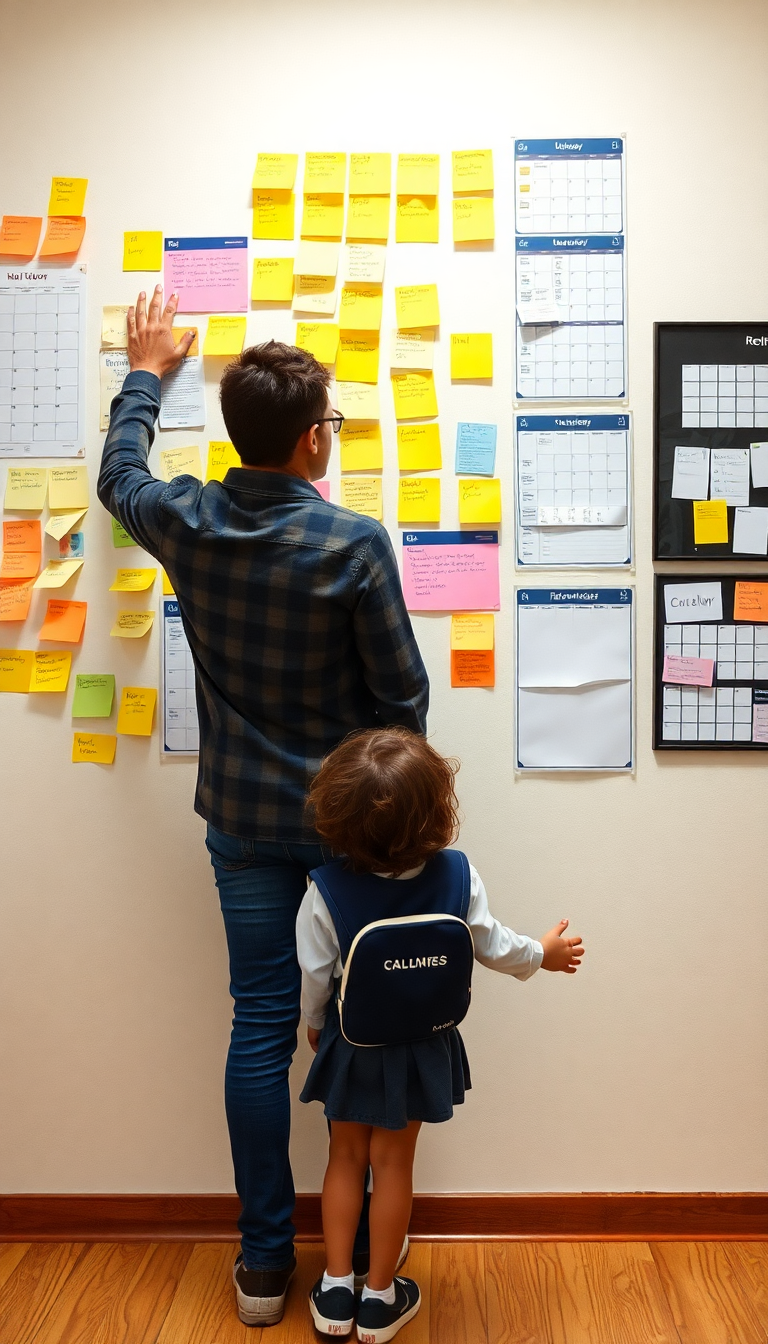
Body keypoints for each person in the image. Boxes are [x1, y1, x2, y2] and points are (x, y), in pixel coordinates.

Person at [97, 288, 429, 1326]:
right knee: (362, 1033)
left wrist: (147, 372)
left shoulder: (190, 521)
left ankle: (261, 1268)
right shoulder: (353, 544)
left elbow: (119, 480)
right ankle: (360, 1271)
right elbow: (404, 702)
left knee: (261, 1031)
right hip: (350, 839)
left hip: (240, 825)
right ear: (313, 442)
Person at [296, 727, 585, 1342]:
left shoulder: (325, 892)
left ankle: (335, 1288)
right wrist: (547, 953)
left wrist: (317, 1028)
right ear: (436, 811)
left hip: (354, 1046)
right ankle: (379, 1299)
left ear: (336, 814)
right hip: (423, 1046)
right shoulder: (458, 876)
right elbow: (494, 945)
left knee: (344, 1158)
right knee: (393, 1166)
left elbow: (316, 977)